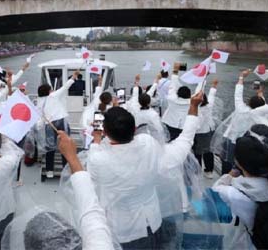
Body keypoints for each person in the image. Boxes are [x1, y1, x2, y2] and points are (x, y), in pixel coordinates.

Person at [86, 91, 203, 249]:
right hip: (153, 221)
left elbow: (88, 180)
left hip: (124, 230)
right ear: (134, 129)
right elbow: (185, 140)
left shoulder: (98, 159)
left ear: (105, 132)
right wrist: (193, 107)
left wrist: (97, 140)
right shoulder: (148, 144)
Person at [211, 130, 268, 249]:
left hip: (247, 243)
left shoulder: (232, 192)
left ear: (238, 162)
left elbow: (213, 193)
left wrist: (232, 173)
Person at [36, 70, 77, 178]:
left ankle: (49, 171)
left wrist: (40, 127)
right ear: (49, 91)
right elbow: (65, 87)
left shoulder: (39, 101)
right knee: (65, 145)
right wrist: (73, 78)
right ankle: (65, 168)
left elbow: (39, 117)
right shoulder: (53, 96)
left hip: (49, 124)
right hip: (61, 122)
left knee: (50, 147)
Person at [194, 79, 218, 178]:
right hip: (210, 130)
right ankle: (209, 171)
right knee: (208, 151)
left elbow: (197, 124)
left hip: (200, 133)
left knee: (197, 152)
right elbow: (211, 95)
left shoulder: (196, 109)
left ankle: (197, 171)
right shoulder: (209, 105)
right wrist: (214, 85)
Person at [161, 63, 191, 141]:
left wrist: (175, 71)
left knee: (170, 141)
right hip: (184, 126)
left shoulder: (171, 99)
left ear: (177, 93)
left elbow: (173, 86)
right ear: (189, 95)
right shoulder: (192, 102)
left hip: (170, 123)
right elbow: (199, 92)